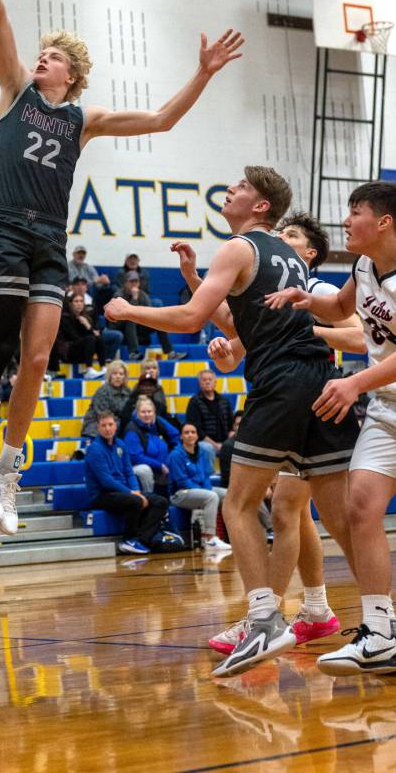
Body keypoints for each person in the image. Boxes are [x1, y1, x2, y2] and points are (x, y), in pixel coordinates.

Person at [0, 0, 243, 532]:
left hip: (51, 238)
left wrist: (204, 73)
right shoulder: (14, 89)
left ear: (71, 74)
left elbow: (162, 118)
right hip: (3, 230)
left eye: (53, 56)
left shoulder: (85, 119)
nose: (41, 57)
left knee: (37, 357)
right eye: (41, 52)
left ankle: (7, 467)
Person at [105, 166, 359, 677]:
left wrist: (128, 310)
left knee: (239, 503)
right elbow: (238, 322)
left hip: (284, 381)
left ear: (261, 205)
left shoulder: (241, 246)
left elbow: (190, 320)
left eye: (241, 187)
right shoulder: (285, 255)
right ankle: (380, 615)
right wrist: (196, 279)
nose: (230, 190)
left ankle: (263, 619)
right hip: (316, 382)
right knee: (335, 517)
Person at [204, 212, 365, 656]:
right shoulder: (268, 287)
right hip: (299, 398)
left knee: (295, 510)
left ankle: (275, 614)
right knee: (288, 511)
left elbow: (359, 337)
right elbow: (240, 348)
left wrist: (305, 330)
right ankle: (313, 608)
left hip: (316, 397)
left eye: (290, 235)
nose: (279, 239)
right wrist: (225, 345)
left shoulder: (317, 289)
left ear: (309, 253)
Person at [266, 181, 396, 676]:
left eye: (355, 211)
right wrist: (306, 297)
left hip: (375, 389)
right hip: (387, 407)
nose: (346, 220)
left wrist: (354, 383)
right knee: (361, 508)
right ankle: (380, 632)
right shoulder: (364, 266)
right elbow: (343, 308)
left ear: (383, 221)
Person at [84, 411, 168, 555]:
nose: (108, 428)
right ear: (98, 429)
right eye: (103, 426)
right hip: (102, 495)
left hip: (124, 491)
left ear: (116, 426)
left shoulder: (120, 445)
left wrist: (135, 489)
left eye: (110, 424)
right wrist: (132, 493)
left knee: (160, 501)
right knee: (135, 501)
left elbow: (129, 472)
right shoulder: (95, 450)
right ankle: (129, 539)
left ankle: (143, 539)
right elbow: (106, 481)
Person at [167, 423, 230, 550]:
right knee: (211, 496)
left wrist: (205, 488)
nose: (190, 435)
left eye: (193, 432)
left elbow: (206, 476)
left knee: (229, 494)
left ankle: (231, 534)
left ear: (197, 436)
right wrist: (204, 490)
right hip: (180, 494)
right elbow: (182, 482)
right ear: (181, 437)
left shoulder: (202, 453)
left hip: (200, 489)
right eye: (186, 432)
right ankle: (209, 539)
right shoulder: (175, 455)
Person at [110, 272, 176, 360]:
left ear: (139, 283)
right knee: (131, 317)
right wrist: (134, 299)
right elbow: (119, 318)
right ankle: (133, 353)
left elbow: (149, 314)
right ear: (125, 283)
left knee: (160, 321)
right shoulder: (118, 296)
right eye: (131, 282)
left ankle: (170, 352)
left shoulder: (143, 295)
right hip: (122, 328)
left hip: (140, 329)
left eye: (136, 282)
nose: (134, 284)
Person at [122, 396, 179, 493]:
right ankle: (149, 498)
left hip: (163, 466)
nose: (147, 415)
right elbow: (136, 458)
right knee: (145, 470)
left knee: (179, 458)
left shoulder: (158, 421)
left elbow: (176, 435)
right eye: (143, 412)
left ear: (154, 412)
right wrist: (159, 465)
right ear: (137, 413)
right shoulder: (132, 429)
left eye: (149, 411)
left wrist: (176, 452)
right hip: (141, 467)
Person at [185, 369, 234, 461]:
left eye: (210, 379)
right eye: (204, 380)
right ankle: (209, 475)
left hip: (224, 442)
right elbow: (196, 430)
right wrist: (215, 445)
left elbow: (231, 426)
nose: (207, 382)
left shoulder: (224, 401)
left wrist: (228, 442)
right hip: (204, 442)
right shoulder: (194, 402)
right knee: (207, 448)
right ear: (199, 384)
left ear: (215, 382)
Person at [56, 293, 105, 379]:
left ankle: (103, 367)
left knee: (99, 339)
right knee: (90, 339)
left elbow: (94, 337)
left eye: (81, 301)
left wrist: (87, 326)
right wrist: (88, 330)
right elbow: (74, 338)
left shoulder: (86, 318)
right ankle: (89, 369)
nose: (79, 304)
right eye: (76, 301)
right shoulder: (65, 318)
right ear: (71, 304)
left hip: (83, 351)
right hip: (68, 353)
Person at [81, 360, 131, 437]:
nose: (118, 376)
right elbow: (103, 414)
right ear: (110, 375)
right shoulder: (103, 391)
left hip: (119, 422)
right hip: (97, 423)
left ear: (125, 376)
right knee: (114, 425)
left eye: (121, 374)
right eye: (115, 374)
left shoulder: (128, 391)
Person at [119, 357, 169, 430]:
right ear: (142, 371)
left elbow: (163, 411)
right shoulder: (136, 389)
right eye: (148, 368)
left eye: (154, 368)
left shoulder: (159, 389)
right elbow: (126, 414)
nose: (151, 371)